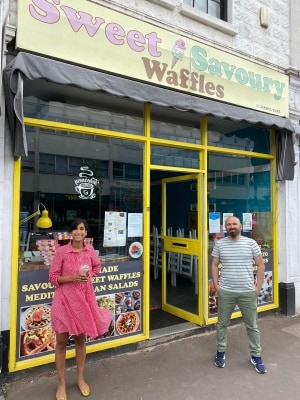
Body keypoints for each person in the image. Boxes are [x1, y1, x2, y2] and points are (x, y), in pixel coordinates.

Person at [49, 218, 112, 400]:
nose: (78, 232)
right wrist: (72, 278)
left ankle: (80, 378)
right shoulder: (62, 252)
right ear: (71, 233)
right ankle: (61, 384)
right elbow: (53, 278)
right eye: (75, 229)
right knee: (61, 343)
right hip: (64, 302)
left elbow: (97, 267)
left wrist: (89, 276)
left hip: (83, 301)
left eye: (82, 229)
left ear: (85, 233)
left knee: (81, 341)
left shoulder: (89, 250)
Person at [211, 215, 267, 374]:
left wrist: (258, 288)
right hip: (226, 292)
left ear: (240, 226)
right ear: (225, 228)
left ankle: (256, 356)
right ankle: (220, 352)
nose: (231, 226)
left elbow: (260, 265)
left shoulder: (251, 243)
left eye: (234, 223)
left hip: (247, 292)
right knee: (222, 324)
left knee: (252, 326)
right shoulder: (220, 244)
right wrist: (216, 285)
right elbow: (214, 265)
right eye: (228, 224)